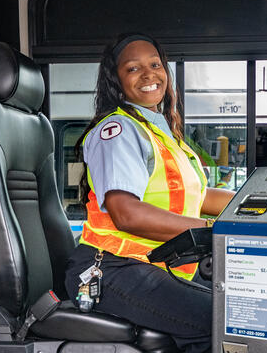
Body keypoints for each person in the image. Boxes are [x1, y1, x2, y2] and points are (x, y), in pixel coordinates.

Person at [64, 33, 234, 353]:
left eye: (155, 64)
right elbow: (126, 213)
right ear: (116, 79)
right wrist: (216, 230)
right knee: (225, 318)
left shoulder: (161, 133)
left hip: (150, 266)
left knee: (242, 307)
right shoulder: (117, 130)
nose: (148, 74)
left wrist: (263, 206)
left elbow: (199, 197)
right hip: (111, 270)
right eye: (133, 68)